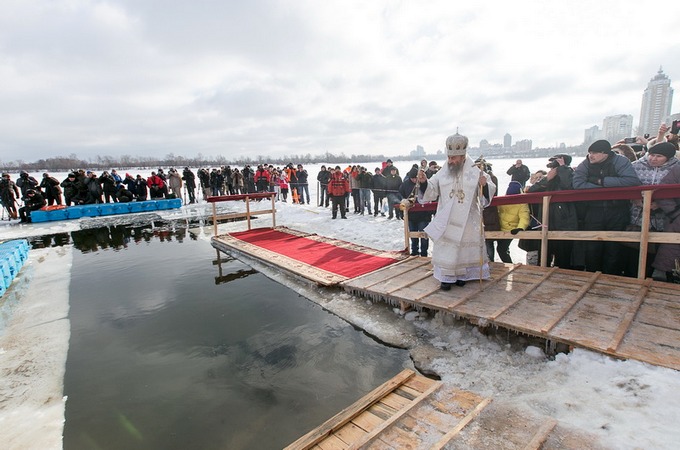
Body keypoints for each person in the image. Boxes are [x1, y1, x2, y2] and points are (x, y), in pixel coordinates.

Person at [417, 132, 496, 289]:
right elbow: (432, 189)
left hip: (468, 219)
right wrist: (424, 182)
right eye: (449, 158)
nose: (451, 161)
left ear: (462, 156)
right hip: (447, 218)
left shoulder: (475, 170)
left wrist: (484, 185)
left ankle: (462, 276)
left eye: (454, 158)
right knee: (449, 249)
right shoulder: (443, 171)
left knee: (463, 251)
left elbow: (488, 191)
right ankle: (446, 277)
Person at [573, 139, 641, 275]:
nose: (591, 155)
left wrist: (601, 181)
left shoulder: (620, 161)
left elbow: (632, 181)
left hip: (617, 210)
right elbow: (577, 184)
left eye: (595, 153)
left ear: (605, 154)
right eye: (590, 152)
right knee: (592, 246)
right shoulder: (586, 163)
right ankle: (592, 274)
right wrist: (607, 187)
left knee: (614, 247)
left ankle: (612, 276)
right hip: (594, 210)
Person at [624, 142, 678, 276]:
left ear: (669, 158)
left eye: (658, 156)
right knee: (633, 251)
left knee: (656, 249)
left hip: (663, 217)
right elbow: (626, 184)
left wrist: (660, 204)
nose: (653, 159)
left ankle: (649, 276)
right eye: (651, 155)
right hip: (637, 214)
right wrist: (634, 198)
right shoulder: (635, 166)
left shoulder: (675, 169)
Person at [526, 155, 579, 269]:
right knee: (544, 256)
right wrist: (547, 179)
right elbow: (531, 191)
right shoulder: (548, 180)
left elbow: (569, 186)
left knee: (563, 258)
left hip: (564, 223)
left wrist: (563, 169)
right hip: (546, 222)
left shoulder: (571, 174)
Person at [652, 162, 680, 282]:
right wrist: (675, 213)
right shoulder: (677, 170)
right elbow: (663, 192)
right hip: (677, 221)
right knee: (672, 258)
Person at [400, 167, 434, 256]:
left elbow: (430, 194)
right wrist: (402, 211)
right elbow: (401, 198)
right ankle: (414, 252)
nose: (415, 180)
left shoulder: (424, 183)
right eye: (413, 179)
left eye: (416, 178)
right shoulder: (405, 185)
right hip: (411, 215)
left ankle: (424, 252)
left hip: (424, 215)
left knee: (423, 235)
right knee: (412, 235)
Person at [494, 181, 530, 263]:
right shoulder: (503, 200)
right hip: (500, 228)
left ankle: (509, 265)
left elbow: (524, 216)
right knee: (502, 249)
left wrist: (520, 227)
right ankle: (508, 264)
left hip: (511, 230)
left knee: (501, 249)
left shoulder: (522, 203)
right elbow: (497, 211)